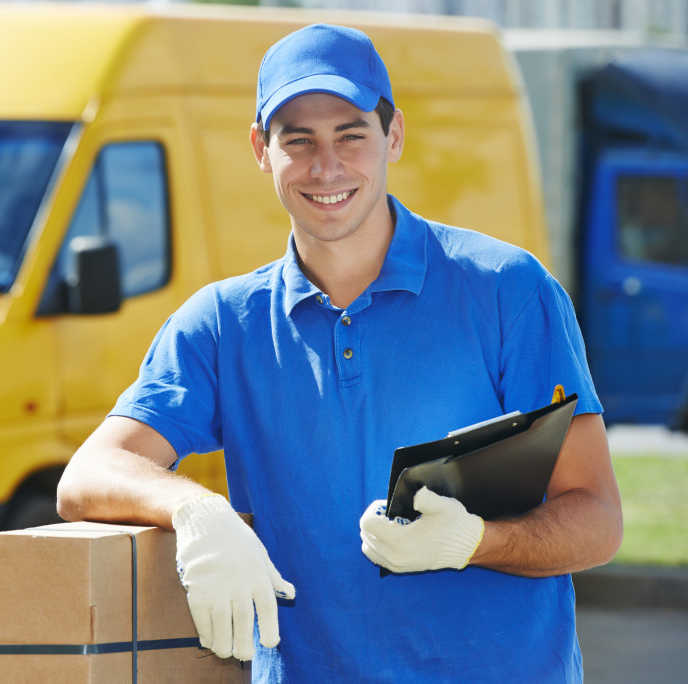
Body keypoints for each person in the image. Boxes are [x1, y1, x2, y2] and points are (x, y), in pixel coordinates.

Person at [57, 23, 622, 683]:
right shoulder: (221, 324)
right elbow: (90, 474)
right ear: (261, 151)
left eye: (351, 134)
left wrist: (475, 543)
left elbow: (597, 519)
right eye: (298, 140)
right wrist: (194, 509)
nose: (327, 166)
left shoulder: (508, 291)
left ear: (395, 136)